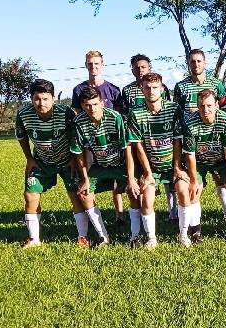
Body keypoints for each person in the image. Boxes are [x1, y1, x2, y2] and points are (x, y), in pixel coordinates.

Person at [15, 79, 84, 247]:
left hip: (67, 161)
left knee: (77, 197)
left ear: (53, 98)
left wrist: (74, 160)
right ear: (31, 99)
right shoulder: (23, 114)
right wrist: (29, 159)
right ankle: (34, 239)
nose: (41, 103)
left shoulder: (66, 112)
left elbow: (76, 137)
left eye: (45, 99)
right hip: (41, 162)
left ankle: (83, 237)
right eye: (37, 98)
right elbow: (21, 136)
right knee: (30, 197)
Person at [71, 85, 136, 246]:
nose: (91, 108)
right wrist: (85, 178)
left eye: (94, 104)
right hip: (99, 165)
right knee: (84, 193)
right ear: (82, 105)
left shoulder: (115, 117)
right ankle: (103, 236)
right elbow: (79, 152)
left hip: (120, 163)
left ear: (102, 102)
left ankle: (135, 236)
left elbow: (127, 149)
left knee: (134, 191)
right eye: (87, 105)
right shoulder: (79, 122)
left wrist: (131, 178)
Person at [177, 89, 226, 244]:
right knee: (194, 190)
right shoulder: (190, 123)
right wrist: (194, 180)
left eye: (209, 105)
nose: (205, 110)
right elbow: (190, 155)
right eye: (201, 106)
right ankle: (196, 231)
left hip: (221, 160)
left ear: (216, 105)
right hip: (199, 161)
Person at [173, 49, 226, 224]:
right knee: (193, 179)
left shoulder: (217, 84)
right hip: (191, 139)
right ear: (188, 64)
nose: (196, 64)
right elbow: (177, 113)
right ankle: (189, 218)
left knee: (220, 178)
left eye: (199, 61)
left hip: (214, 138)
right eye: (192, 61)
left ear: (205, 63)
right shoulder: (181, 86)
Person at [127, 73, 183, 249]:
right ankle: (151, 238)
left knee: (183, 191)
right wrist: (148, 173)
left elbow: (177, 141)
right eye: (147, 88)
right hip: (152, 168)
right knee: (147, 200)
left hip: (172, 165)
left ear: (162, 89)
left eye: (155, 87)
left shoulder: (173, 109)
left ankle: (184, 234)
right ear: (141, 89)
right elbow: (139, 146)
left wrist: (176, 167)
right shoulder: (136, 114)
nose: (151, 91)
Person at [71, 50, 126, 225]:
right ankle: (96, 221)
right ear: (86, 65)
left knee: (117, 182)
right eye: (90, 63)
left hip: (110, 143)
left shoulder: (113, 89)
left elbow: (118, 116)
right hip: (89, 144)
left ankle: (120, 215)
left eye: (96, 63)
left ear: (102, 65)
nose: (93, 66)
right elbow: (78, 116)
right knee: (88, 180)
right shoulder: (79, 89)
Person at [121, 53, 177, 223]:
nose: (140, 70)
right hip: (140, 134)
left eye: (143, 67)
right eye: (137, 67)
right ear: (132, 70)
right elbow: (124, 113)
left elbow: (166, 110)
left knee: (170, 180)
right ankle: (139, 216)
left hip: (161, 136)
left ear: (149, 68)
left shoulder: (162, 88)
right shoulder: (127, 90)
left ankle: (173, 211)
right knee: (144, 176)